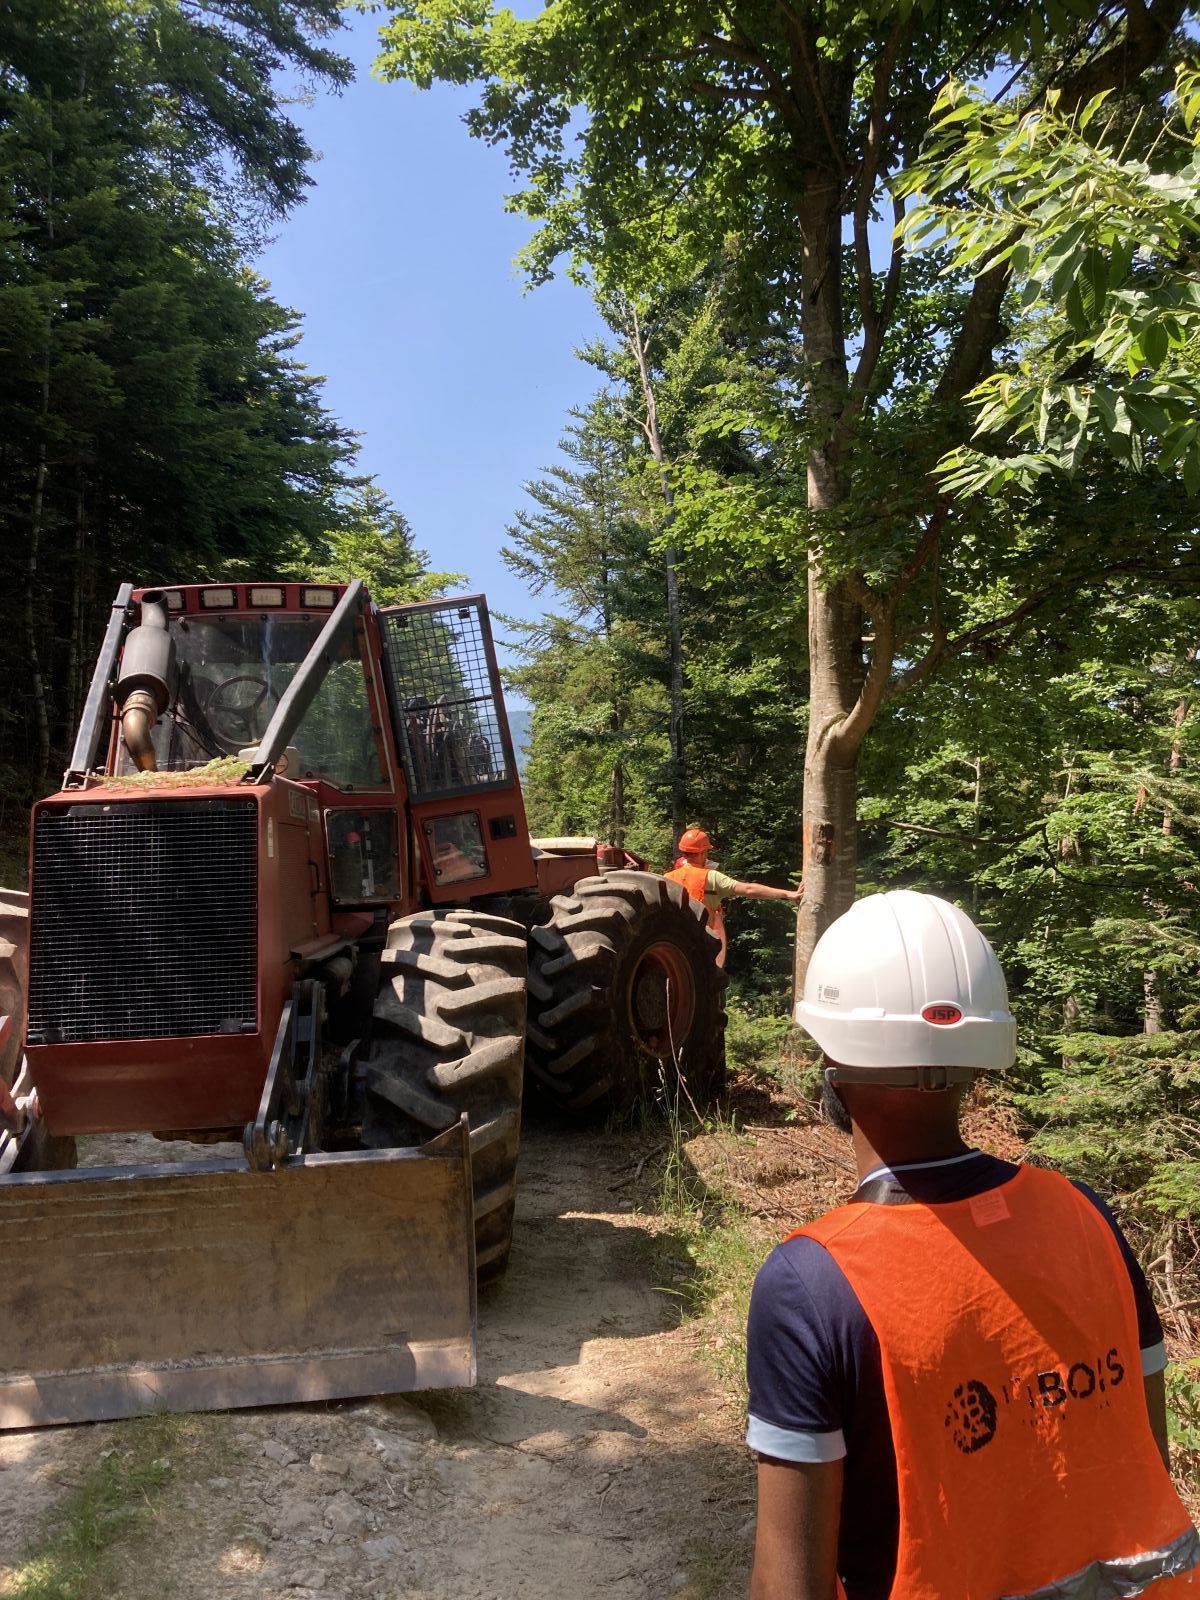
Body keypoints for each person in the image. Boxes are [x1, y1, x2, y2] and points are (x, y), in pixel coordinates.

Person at [747, 890, 1199, 1600]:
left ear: (831, 1065)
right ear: (981, 1059)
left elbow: (787, 1588)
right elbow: (1141, 1459)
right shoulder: (1087, 1219)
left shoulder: (812, 1285)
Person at [665, 826, 802, 967]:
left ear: (684, 852)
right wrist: (787, 894)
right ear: (702, 852)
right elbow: (749, 889)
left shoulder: (667, 878)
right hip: (701, 945)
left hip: (673, 945)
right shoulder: (711, 877)